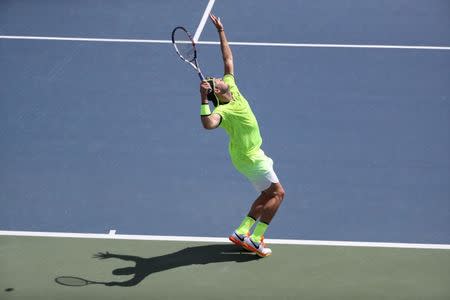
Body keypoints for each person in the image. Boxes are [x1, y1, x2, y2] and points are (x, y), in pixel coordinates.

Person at [199, 14, 285, 257]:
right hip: (249, 157)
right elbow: (208, 124)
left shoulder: (231, 86)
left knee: (266, 194)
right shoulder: (223, 110)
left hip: (247, 154)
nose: (218, 78)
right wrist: (203, 98)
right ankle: (256, 239)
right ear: (217, 92)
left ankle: (241, 232)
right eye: (215, 81)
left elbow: (227, 58)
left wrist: (221, 32)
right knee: (279, 194)